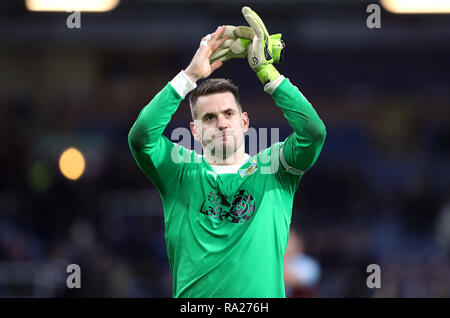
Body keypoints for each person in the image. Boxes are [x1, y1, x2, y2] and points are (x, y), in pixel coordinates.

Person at [128, 7, 326, 297]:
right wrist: (189, 76)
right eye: (209, 118)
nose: (221, 123)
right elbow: (141, 136)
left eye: (228, 113)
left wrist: (267, 73)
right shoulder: (180, 170)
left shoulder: (273, 169)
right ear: (194, 131)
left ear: (244, 122)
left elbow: (313, 133)